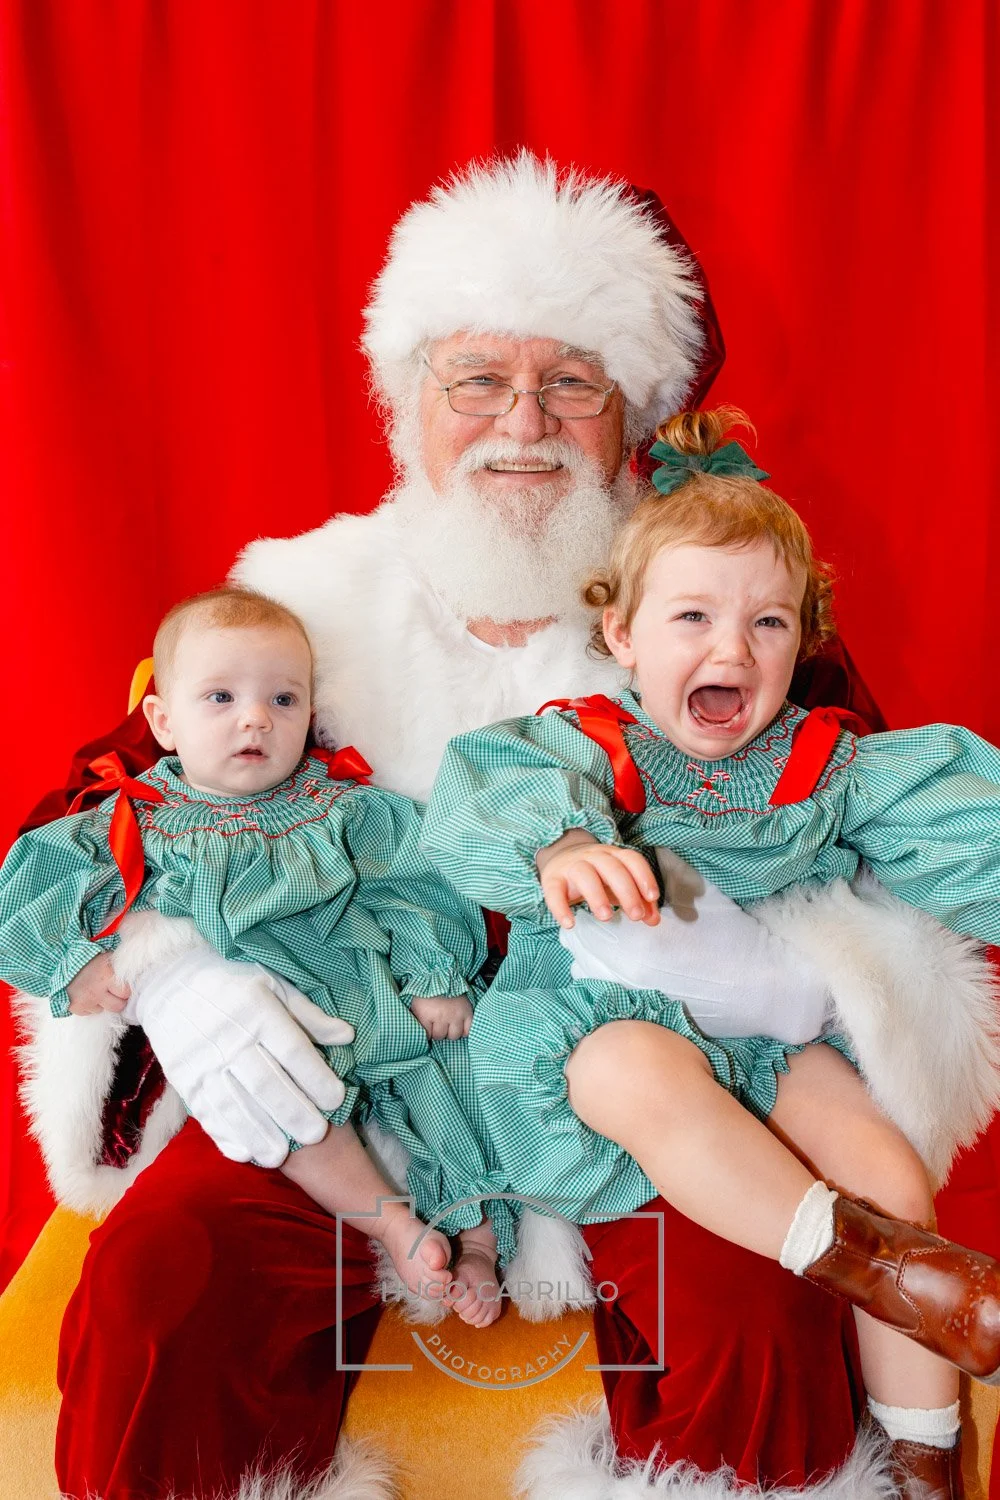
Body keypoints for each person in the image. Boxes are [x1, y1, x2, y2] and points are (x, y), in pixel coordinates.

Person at [13, 156, 956, 1499]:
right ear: (410, 402)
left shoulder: (712, 603)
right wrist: (177, 971)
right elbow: (95, 817)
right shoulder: (294, 606)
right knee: (164, 1287)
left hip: (650, 1096)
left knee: (757, 1313)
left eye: (570, 381)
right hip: (358, 1090)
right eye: (478, 379)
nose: (524, 421)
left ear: (630, 413)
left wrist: (750, 959)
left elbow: (883, 837)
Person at [421, 406, 1000, 1497]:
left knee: (887, 1168)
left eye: (768, 624)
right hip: (606, 1032)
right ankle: (871, 1269)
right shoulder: (584, 749)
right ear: (622, 636)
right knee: (632, 1071)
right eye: (691, 616)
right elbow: (473, 797)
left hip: (767, 1046)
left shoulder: (824, 765)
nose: (730, 649)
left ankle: (930, 1468)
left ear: (803, 643)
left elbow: (967, 826)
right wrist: (560, 843)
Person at [1, 587, 509, 1324]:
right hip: (262, 1021)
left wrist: (434, 977)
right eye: (220, 697)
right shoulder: (132, 820)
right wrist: (75, 965)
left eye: (283, 698)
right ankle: (392, 1224)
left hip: (374, 1000)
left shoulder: (342, 804)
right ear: (163, 722)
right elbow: (30, 887)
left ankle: (480, 1243)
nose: (254, 718)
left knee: (455, 1090)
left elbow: (419, 879)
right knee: (291, 1116)